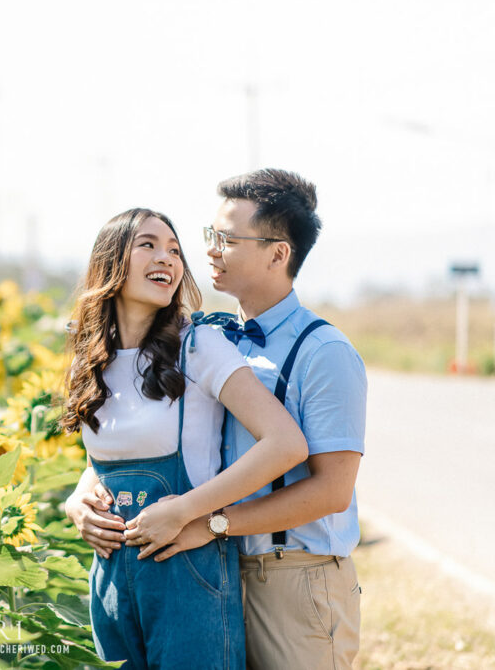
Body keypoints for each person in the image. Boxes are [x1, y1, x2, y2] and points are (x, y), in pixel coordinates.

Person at [68, 170, 367, 670]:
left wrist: (210, 522)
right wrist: (82, 492)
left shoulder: (324, 352)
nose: (209, 250)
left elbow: (332, 492)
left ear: (277, 253)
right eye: (209, 237)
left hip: (291, 576)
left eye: (227, 239)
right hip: (210, 561)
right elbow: (145, 433)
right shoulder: (204, 339)